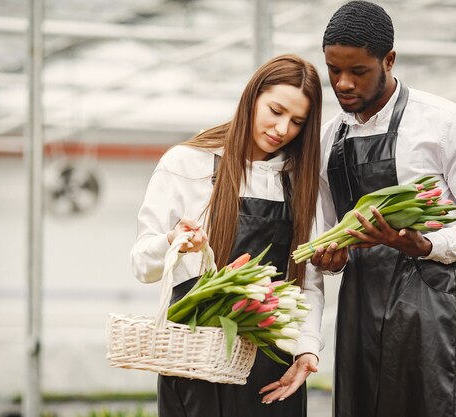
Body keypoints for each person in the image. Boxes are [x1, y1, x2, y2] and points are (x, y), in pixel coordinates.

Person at [262, 1, 456, 415]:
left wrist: (426, 245)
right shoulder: (326, 140)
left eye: (358, 71)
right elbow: (320, 245)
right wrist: (331, 260)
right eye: (333, 70)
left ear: (389, 60)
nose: (342, 84)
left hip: (433, 314)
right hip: (359, 314)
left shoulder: (444, 122)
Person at [130, 54, 326, 417]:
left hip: (270, 367)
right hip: (196, 359)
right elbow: (142, 265)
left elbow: (307, 283)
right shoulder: (186, 164)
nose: (283, 129)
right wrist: (172, 241)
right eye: (276, 110)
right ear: (252, 98)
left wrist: (307, 348)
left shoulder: (299, 180)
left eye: (297, 121)